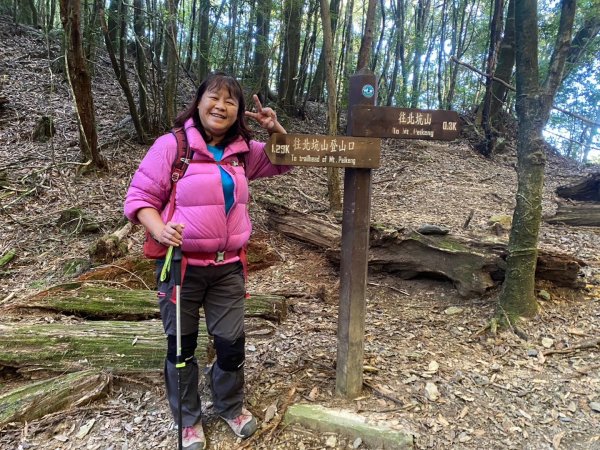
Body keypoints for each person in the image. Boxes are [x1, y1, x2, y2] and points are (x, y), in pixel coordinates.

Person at [124, 72, 289, 450]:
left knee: (230, 345)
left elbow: (284, 161)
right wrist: (160, 229)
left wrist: (275, 128)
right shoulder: (173, 146)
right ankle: (188, 420)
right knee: (181, 348)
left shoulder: (243, 152)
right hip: (181, 266)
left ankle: (230, 407)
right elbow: (139, 199)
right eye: (214, 98)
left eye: (231, 101)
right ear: (199, 102)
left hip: (228, 266)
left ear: (239, 111)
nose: (221, 106)